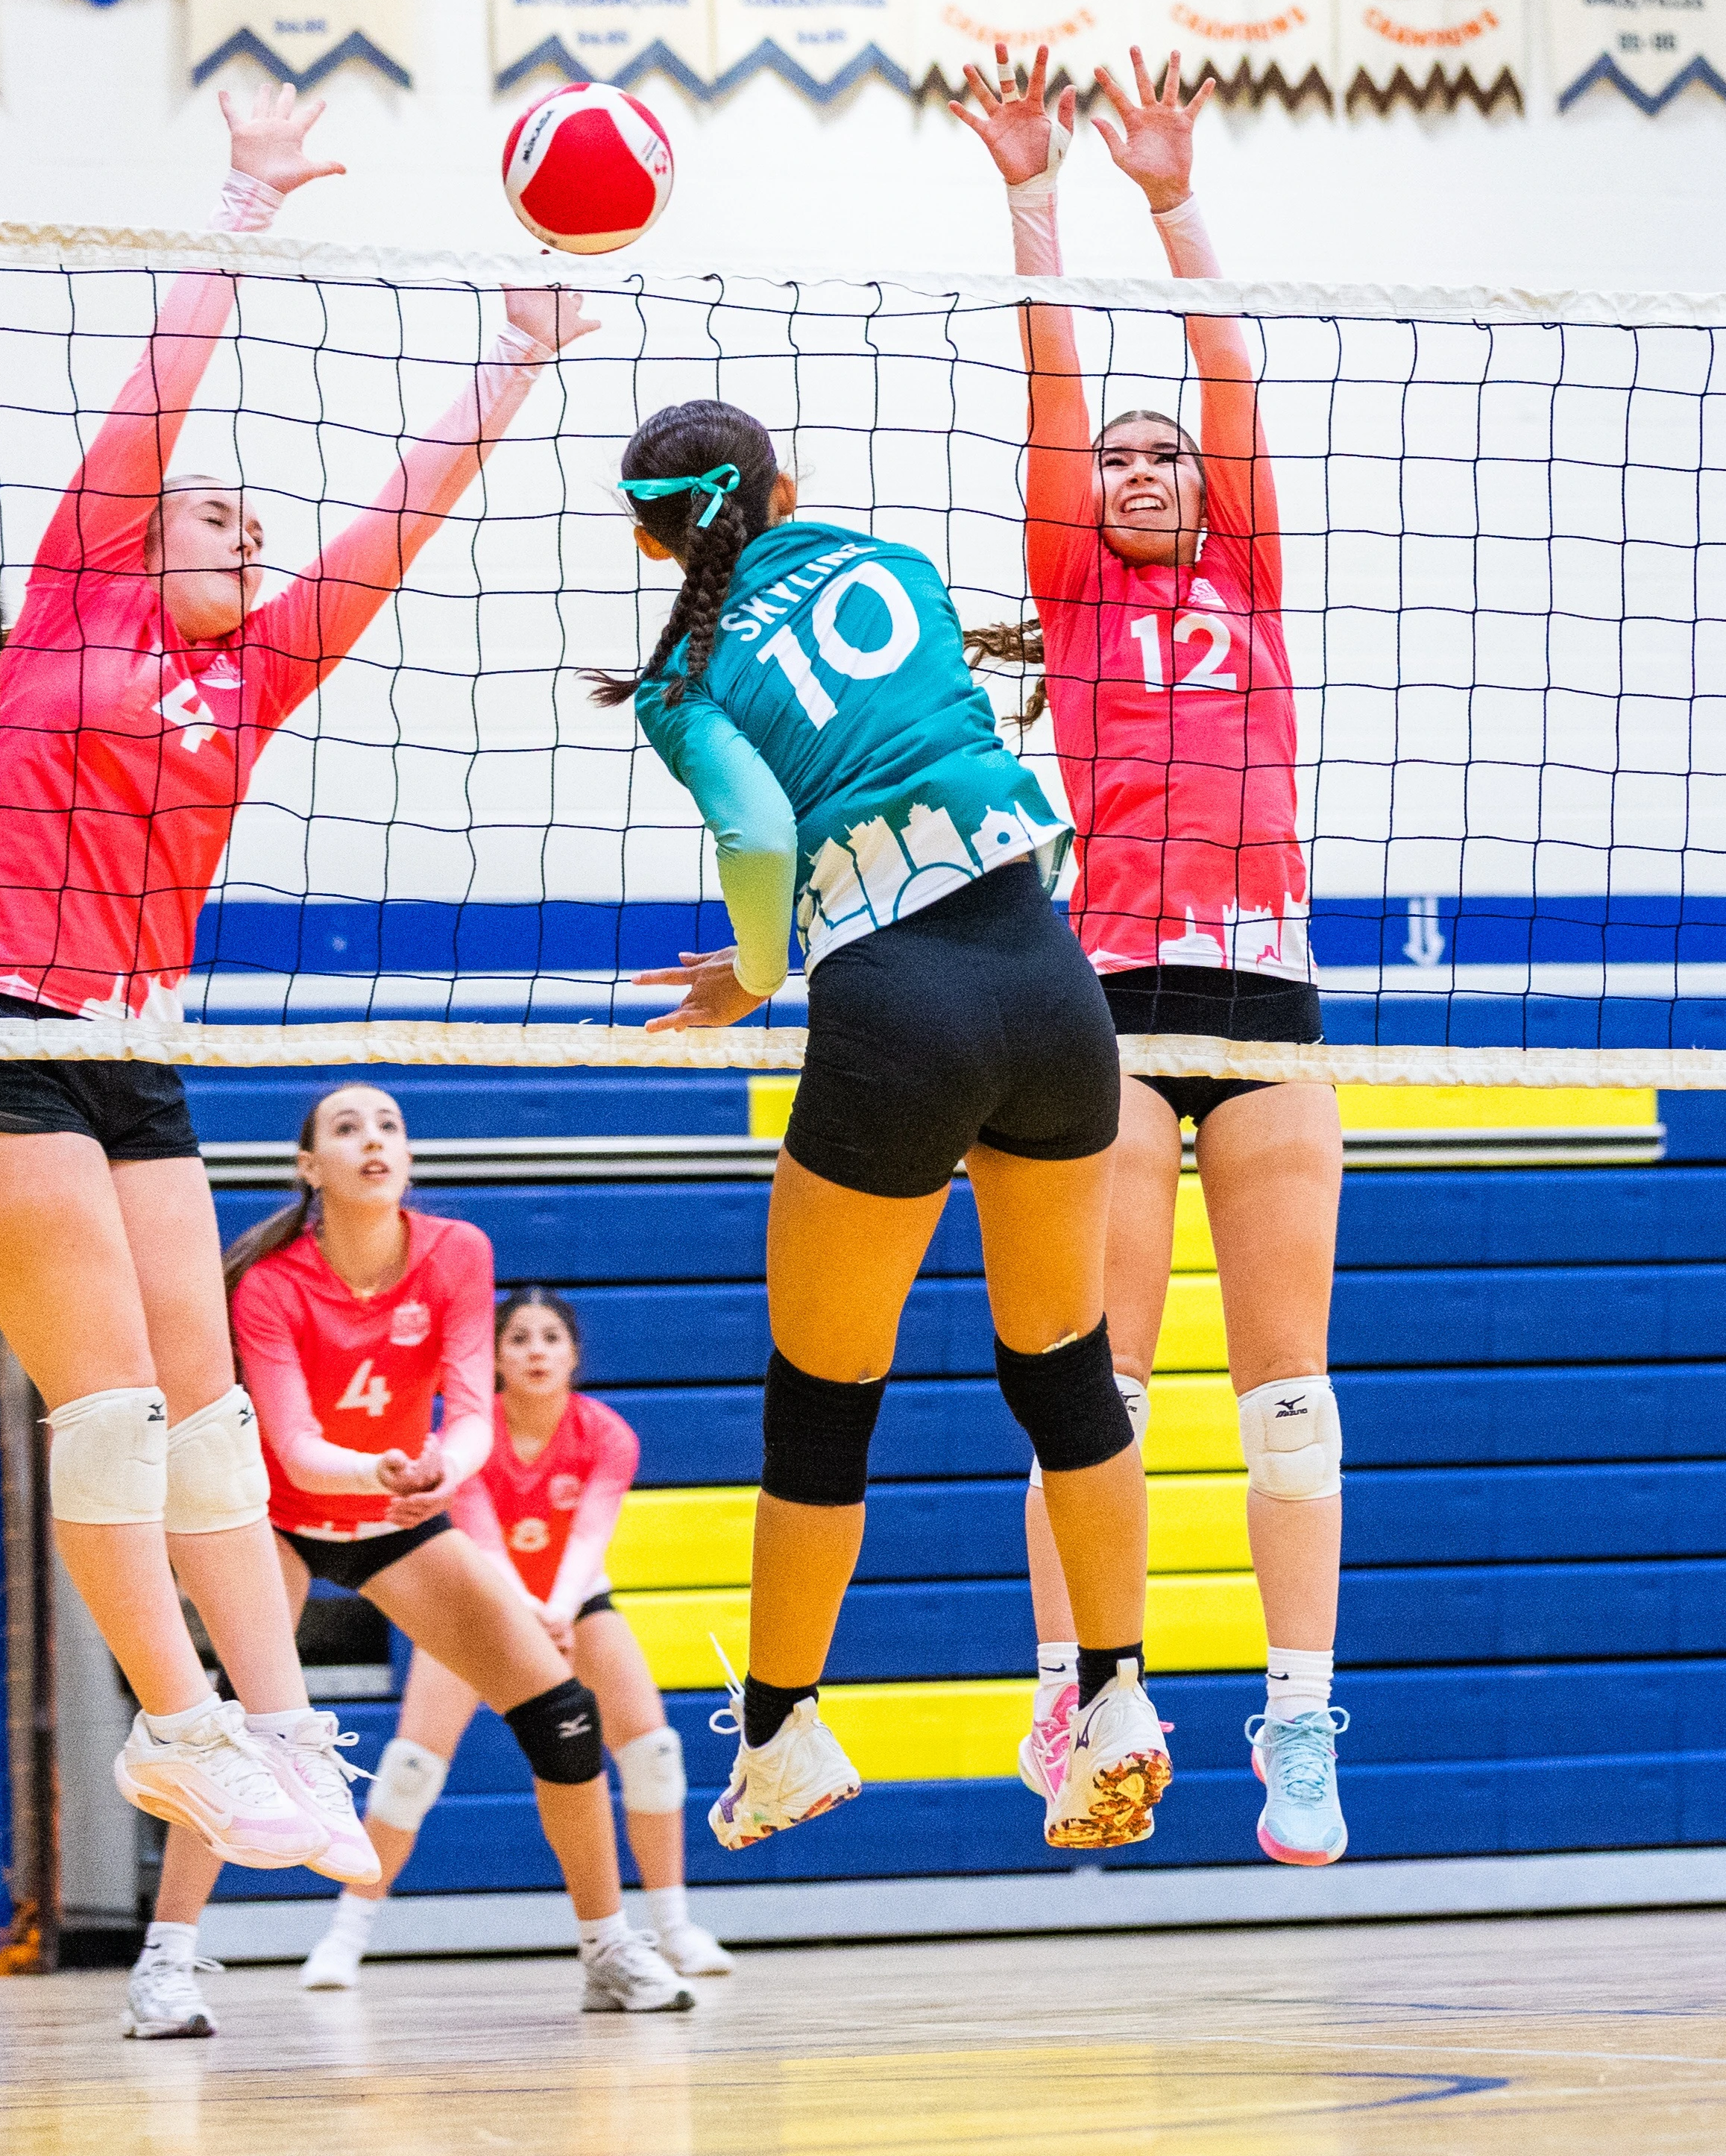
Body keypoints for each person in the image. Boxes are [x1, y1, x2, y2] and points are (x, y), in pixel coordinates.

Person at [0, 86, 592, 1908]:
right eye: (212, 507)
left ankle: (278, 1732)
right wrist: (243, 206)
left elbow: (398, 522)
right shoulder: (78, 601)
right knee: (118, 1405)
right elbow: (160, 397)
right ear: (138, 538)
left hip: (132, 1047)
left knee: (208, 1424)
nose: (243, 522)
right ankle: (179, 1718)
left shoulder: (259, 668)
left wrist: (518, 360)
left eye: (251, 517)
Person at [588, 396, 1165, 1852]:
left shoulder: (683, 680)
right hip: (1050, 988)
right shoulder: (892, 564)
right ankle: (1115, 1697)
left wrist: (757, 975)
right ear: (784, 486)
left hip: (894, 1011)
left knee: (824, 1396)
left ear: (653, 543)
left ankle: (781, 1734)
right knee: (1068, 1369)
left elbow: (762, 836)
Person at [950, 44, 1348, 1866]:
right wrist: (1032, 197)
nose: (1128, 467)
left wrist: (1174, 205)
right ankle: (1081, 1689)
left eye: (1156, 453)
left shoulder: (1248, 572)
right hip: (1105, 1010)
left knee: (1289, 1398)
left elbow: (1226, 380)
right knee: (1092, 1385)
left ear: (1203, 488)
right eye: (1110, 457)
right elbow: (1053, 383)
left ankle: (1298, 1718)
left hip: (1265, 1008)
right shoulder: (1077, 590)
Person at [122, 1088, 693, 2035]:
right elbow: (296, 1444)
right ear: (311, 1168)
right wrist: (382, 1469)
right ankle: (165, 1964)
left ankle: (607, 1948)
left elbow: (471, 1410)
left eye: (389, 1125)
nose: (374, 1140)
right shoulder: (271, 1286)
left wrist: (443, 1471)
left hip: (400, 1513)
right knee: (234, 1737)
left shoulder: (456, 1252)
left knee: (563, 1716)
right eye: (347, 1129)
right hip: (278, 1516)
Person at [300, 1285, 736, 1988]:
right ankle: (344, 1939)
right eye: (519, 1338)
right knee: (411, 1768)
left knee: (655, 1753)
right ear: (495, 1359)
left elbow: (591, 1535)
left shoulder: (607, 1435)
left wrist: (557, 1611)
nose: (536, 1352)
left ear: (574, 1355)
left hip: (572, 1602)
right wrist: (528, 1614)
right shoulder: (466, 1438)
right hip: (479, 1604)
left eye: (551, 1338)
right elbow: (481, 1541)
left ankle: (675, 1931)